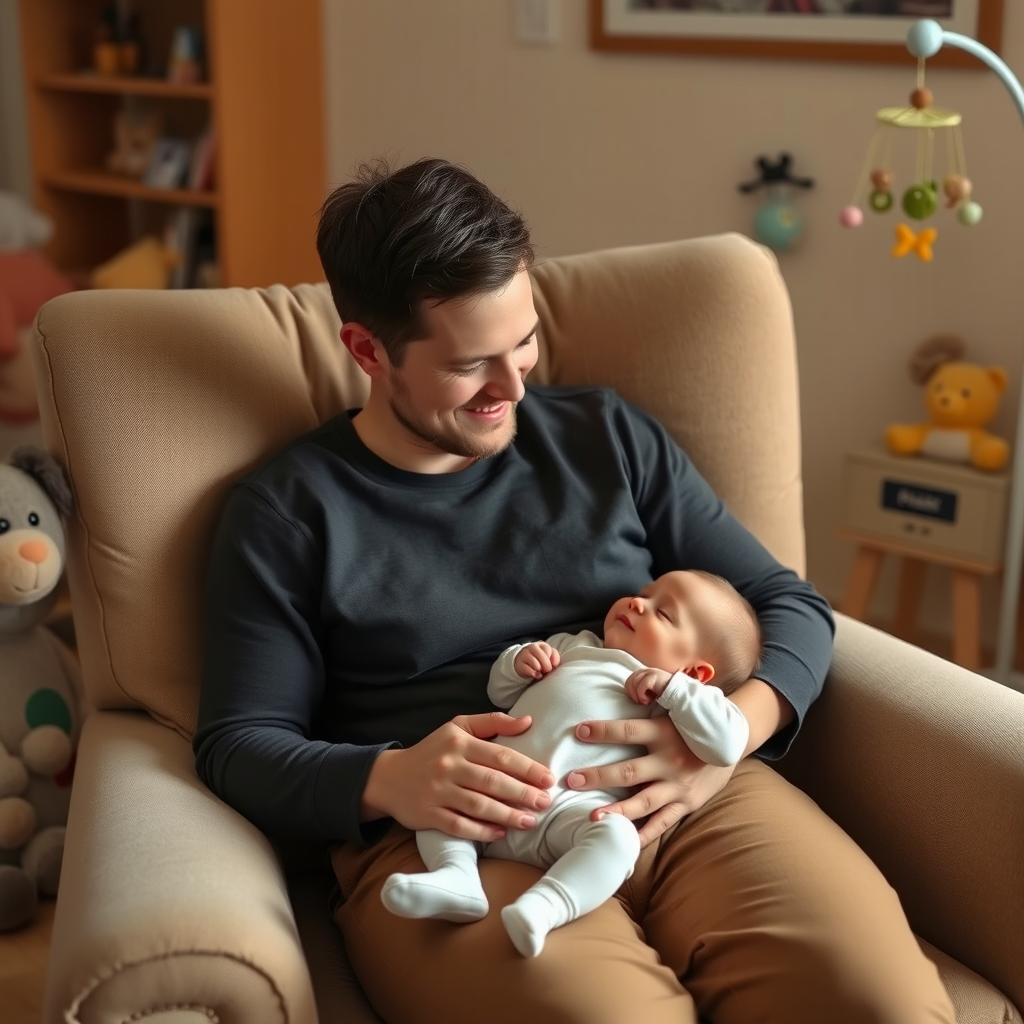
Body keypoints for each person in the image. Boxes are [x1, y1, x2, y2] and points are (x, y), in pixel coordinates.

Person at [194, 157, 955, 1022]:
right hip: (460, 846)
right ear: (369, 350)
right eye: (472, 364)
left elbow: (789, 605)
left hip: (682, 794)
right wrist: (391, 779)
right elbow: (237, 744)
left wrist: (728, 739)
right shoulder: (290, 513)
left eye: (524, 342)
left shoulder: (605, 436)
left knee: (879, 1003)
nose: (515, 389)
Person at [381, 569, 758, 958]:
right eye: (645, 593)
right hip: (495, 787)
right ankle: (456, 876)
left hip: (573, 811)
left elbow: (726, 745)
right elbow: (500, 690)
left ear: (697, 671)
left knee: (618, 839)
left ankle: (546, 906)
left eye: (663, 614)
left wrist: (675, 689)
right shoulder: (573, 645)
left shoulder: (680, 697)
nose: (637, 603)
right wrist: (519, 662)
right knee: (439, 799)